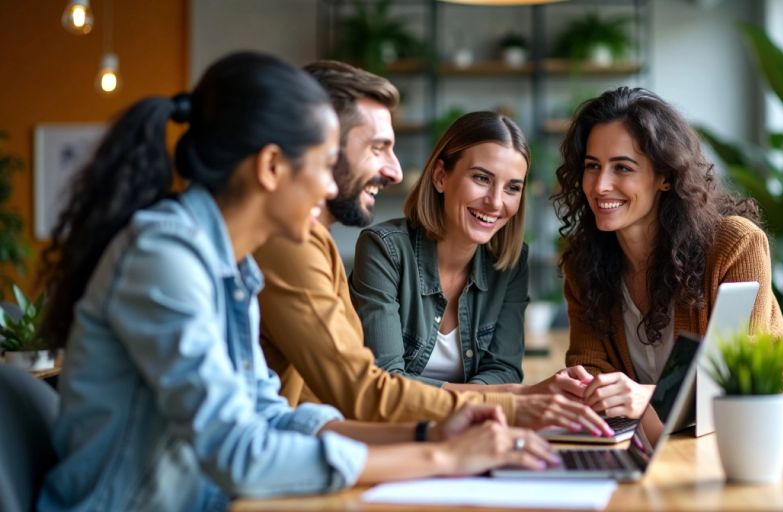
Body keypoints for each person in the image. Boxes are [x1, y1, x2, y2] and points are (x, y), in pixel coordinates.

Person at [35, 52, 555, 511]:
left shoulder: (232, 267)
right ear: (270, 167)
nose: (331, 185)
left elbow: (271, 416)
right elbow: (240, 452)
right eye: (325, 165)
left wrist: (429, 431)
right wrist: (439, 455)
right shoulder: (164, 259)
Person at [254, 61, 610, 435]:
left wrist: (492, 411)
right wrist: (511, 404)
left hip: (314, 440)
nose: (394, 172)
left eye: (513, 187)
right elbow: (367, 391)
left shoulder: (311, 241)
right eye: (378, 148)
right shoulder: (296, 241)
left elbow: (337, 408)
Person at [551, 87, 783, 447]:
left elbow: (739, 385)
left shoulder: (736, 246)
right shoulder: (585, 266)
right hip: (672, 448)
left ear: (664, 176)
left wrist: (646, 397)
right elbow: (590, 369)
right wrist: (591, 389)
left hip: (781, 443)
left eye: (623, 168)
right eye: (592, 166)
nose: (600, 185)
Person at [352, 112, 536, 391]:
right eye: (482, 178)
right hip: (393, 429)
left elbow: (504, 370)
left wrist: (482, 402)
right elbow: (385, 382)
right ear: (440, 177)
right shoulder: (384, 249)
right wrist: (486, 398)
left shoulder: (509, 262)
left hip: (472, 427)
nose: (496, 202)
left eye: (513, 188)